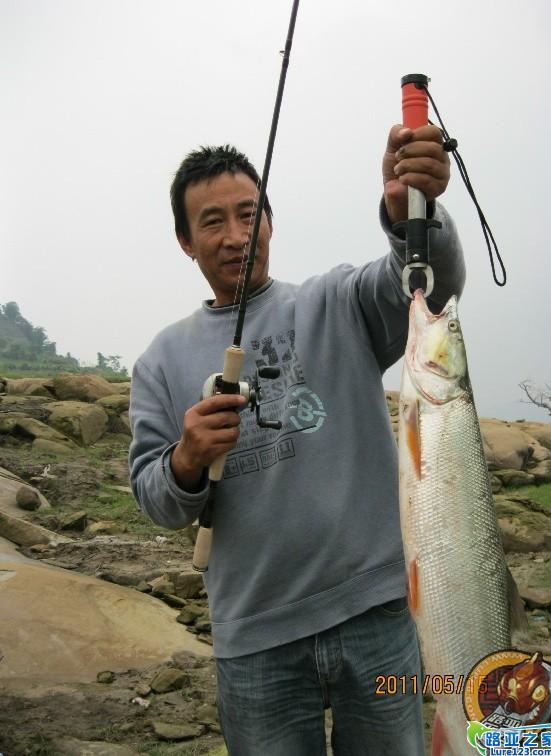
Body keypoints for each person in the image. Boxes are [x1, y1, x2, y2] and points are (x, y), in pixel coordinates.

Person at [129, 124, 465, 755]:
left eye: (249, 214)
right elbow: (155, 499)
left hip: (376, 616)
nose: (236, 235)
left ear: (270, 222)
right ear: (185, 241)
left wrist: (412, 214)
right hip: (254, 640)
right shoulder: (160, 362)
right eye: (212, 222)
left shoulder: (338, 302)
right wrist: (186, 458)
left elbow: (432, 287)